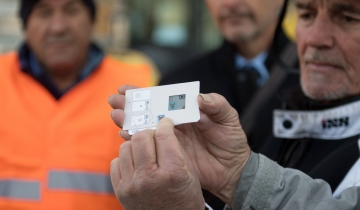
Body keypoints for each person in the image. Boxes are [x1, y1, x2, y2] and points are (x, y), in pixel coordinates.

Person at [108, 0, 360, 208]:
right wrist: (238, 175)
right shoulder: (178, 80)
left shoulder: (301, 88)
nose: (315, 38)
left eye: (349, 18)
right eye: (306, 14)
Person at [0, 0, 151, 209]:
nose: (58, 27)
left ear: (92, 21)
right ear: (25, 24)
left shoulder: (139, 84)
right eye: (43, 13)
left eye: (71, 11)